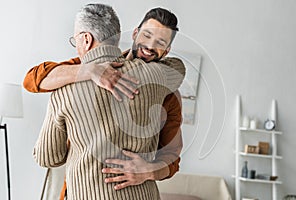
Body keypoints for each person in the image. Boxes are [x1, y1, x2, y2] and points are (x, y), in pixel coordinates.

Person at [24, 6, 184, 198]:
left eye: (160, 42)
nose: (150, 46)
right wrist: (89, 71)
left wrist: (149, 171)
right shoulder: (81, 69)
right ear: (135, 33)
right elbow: (32, 79)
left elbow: (172, 156)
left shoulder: (168, 93)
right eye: (147, 35)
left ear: (167, 51)